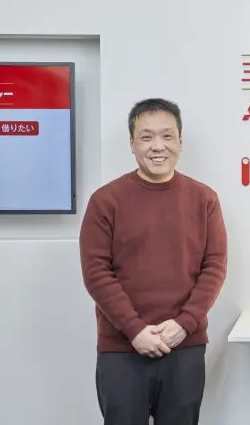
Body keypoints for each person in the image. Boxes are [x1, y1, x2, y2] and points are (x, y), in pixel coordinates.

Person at [79, 98, 228, 425]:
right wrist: (134, 330)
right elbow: (96, 272)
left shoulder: (204, 199)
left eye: (167, 136)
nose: (158, 146)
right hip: (122, 348)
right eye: (146, 137)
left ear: (180, 141)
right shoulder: (105, 201)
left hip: (184, 347)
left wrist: (184, 324)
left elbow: (214, 267)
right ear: (132, 144)